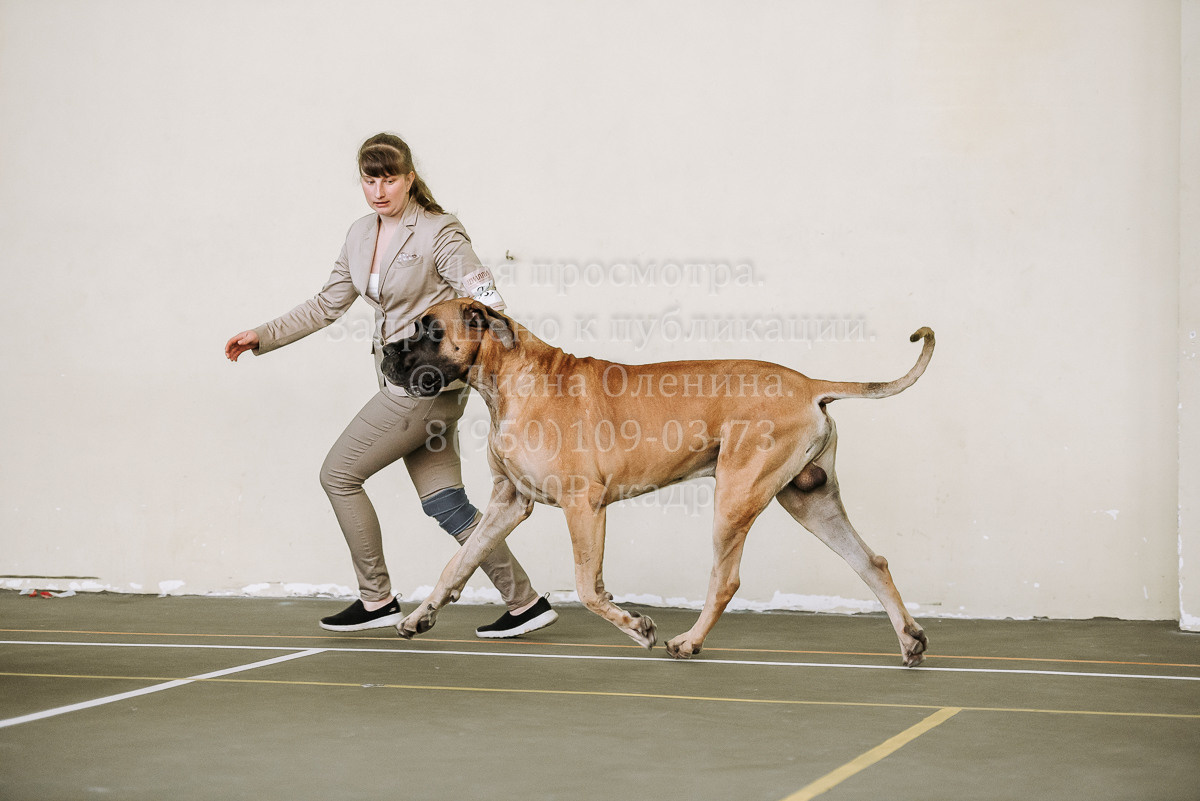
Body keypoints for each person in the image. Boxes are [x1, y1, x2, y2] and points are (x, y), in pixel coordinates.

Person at [224, 133, 557, 638]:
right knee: (446, 503)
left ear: (409, 179)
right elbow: (325, 304)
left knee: (338, 475)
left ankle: (376, 597)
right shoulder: (361, 233)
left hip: (421, 391)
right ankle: (525, 602)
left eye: (389, 178)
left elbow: (484, 299)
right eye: (369, 178)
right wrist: (262, 335)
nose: (379, 190)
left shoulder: (439, 232)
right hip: (406, 386)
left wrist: (483, 306)